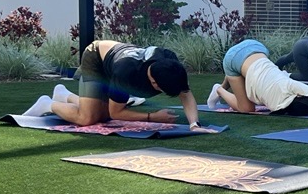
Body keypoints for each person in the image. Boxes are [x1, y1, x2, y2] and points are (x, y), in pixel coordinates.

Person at [22, 40, 212, 131]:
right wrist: (152, 117)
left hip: (116, 57)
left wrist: (194, 125)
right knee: (88, 118)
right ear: (154, 83)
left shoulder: (171, 64)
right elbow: (116, 113)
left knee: (101, 114)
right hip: (96, 58)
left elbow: (185, 94)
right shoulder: (127, 74)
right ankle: (48, 104)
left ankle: (64, 95)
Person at [208, 40, 308, 120]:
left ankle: (223, 85)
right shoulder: (276, 107)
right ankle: (220, 88)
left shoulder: (290, 85)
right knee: (246, 106)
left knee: (247, 76)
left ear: (299, 96)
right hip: (236, 58)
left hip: (256, 47)